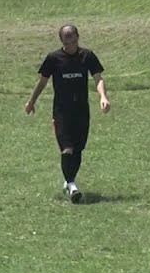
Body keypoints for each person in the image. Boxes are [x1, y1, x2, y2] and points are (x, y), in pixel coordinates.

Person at [24, 25, 111, 203]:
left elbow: (97, 78)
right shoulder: (53, 58)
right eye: (67, 41)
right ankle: (72, 186)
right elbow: (42, 82)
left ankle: (69, 181)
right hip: (62, 112)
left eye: (73, 40)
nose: (71, 44)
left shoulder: (87, 56)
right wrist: (32, 101)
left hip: (81, 111)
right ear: (62, 41)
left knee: (78, 150)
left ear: (78, 37)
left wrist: (103, 96)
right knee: (67, 149)